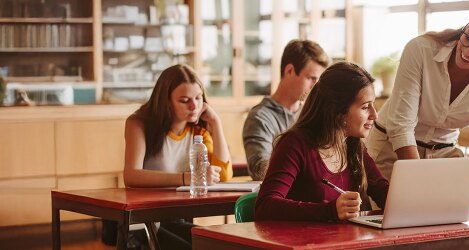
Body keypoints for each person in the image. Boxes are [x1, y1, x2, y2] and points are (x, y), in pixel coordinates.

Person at [366, 4, 469, 211]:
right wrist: (416, 181)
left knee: (446, 222)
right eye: (468, 38)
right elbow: (401, 126)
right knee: (394, 219)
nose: (467, 51)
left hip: (443, 156)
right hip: (392, 150)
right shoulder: (421, 49)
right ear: (467, 26)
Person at [255, 62, 388, 221]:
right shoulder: (294, 144)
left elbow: (384, 193)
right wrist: (330, 211)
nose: (375, 115)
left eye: (373, 105)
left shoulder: (354, 146)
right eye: (365, 107)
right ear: (338, 111)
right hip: (305, 237)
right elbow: (265, 206)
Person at [120, 64, 232, 249]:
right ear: (166, 102)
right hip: (144, 221)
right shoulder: (139, 124)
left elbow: (224, 175)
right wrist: (188, 178)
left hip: (176, 217)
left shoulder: (198, 131)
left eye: (198, 98)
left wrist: (216, 122)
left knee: (218, 244)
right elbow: (131, 176)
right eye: (184, 100)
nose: (194, 106)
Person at [243, 39, 330, 181]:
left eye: (318, 81)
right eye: (311, 78)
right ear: (289, 70)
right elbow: (260, 170)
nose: (316, 87)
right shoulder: (260, 118)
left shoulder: (314, 114)